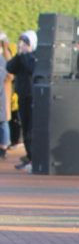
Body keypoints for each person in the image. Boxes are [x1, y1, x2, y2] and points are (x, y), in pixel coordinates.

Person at [6, 30, 37, 171]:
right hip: (22, 95)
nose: (22, 46)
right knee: (25, 127)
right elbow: (10, 67)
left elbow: (32, 69)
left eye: (25, 43)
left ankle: (33, 157)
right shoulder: (21, 57)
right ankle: (29, 155)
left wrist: (26, 54)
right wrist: (18, 55)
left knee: (31, 128)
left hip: (32, 96)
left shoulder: (33, 57)